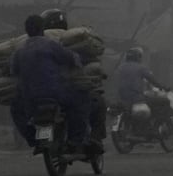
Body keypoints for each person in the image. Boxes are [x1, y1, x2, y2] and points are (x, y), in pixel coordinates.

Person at [10, 13, 92, 149]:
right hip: (56, 94)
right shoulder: (50, 45)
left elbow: (13, 71)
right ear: (42, 29)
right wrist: (78, 59)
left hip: (29, 98)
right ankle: (75, 140)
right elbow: (71, 58)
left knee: (15, 110)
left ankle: (32, 138)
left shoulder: (19, 52)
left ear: (26, 31)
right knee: (81, 101)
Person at [112, 46, 164, 114]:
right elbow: (153, 80)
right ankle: (149, 122)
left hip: (122, 97)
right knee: (161, 102)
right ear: (138, 57)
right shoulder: (141, 68)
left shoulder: (121, 67)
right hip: (137, 98)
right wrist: (162, 87)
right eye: (140, 56)